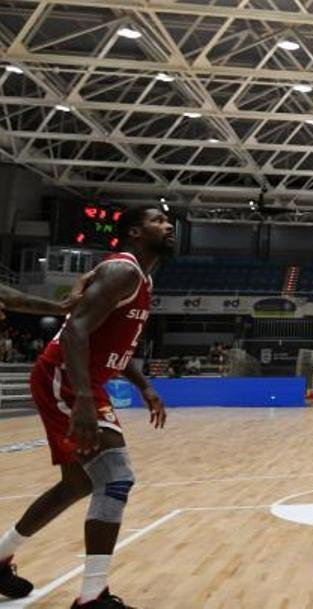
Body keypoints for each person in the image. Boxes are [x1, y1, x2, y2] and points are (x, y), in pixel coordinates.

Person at [0, 207, 173, 607]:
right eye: (157, 221)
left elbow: (107, 341)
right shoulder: (123, 272)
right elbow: (76, 329)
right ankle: (92, 597)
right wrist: (81, 398)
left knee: (78, 484)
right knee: (116, 477)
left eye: (169, 221)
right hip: (66, 376)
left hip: (81, 379)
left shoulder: (140, 277)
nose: (168, 226)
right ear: (133, 232)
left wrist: (144, 385)